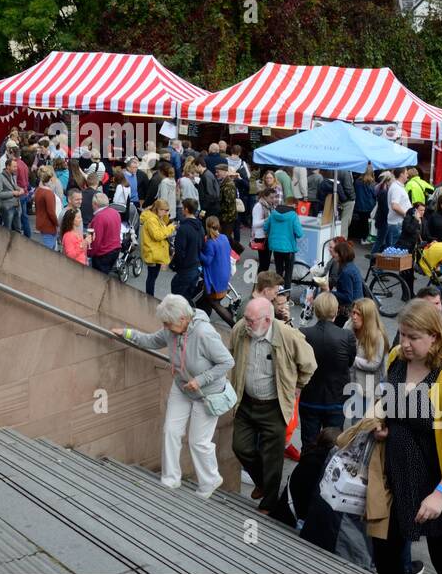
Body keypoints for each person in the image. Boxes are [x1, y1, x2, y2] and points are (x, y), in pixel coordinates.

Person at [370, 300, 442, 574]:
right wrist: (384, 425)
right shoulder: (396, 358)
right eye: (402, 334)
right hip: (394, 481)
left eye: (413, 337)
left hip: (436, 487)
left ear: (435, 336)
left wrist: (440, 494)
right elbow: (388, 403)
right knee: (386, 558)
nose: (405, 343)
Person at [113, 295, 235, 497]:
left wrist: (201, 379)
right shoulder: (171, 330)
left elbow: (227, 362)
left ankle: (210, 480)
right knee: (170, 430)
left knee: (198, 441)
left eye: (167, 323)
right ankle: (170, 479)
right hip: (182, 386)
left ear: (182, 319)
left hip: (207, 393)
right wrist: (127, 333)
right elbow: (151, 340)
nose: (165, 327)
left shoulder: (205, 333)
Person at [229, 297, 316, 514]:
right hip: (246, 402)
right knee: (240, 447)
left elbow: (309, 364)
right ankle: (261, 482)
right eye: (245, 319)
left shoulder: (287, 336)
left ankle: (269, 504)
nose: (245, 323)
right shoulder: (240, 330)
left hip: (274, 407)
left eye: (251, 320)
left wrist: (299, 385)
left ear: (267, 320)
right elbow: (232, 354)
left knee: (273, 456)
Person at [299, 292, 356, 445]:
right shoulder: (347, 336)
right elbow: (349, 362)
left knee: (309, 445)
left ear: (316, 310)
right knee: (333, 445)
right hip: (336, 399)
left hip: (310, 398)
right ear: (336, 311)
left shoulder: (303, 334)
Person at [345, 297, 388, 420]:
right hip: (350, 381)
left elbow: (373, 363)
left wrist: (350, 358)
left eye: (358, 314)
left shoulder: (377, 336)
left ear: (367, 317)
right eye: (353, 312)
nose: (354, 316)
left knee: (359, 422)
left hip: (366, 387)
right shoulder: (349, 326)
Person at [197, 216, 235, 325]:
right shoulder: (223, 238)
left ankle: (234, 325)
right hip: (224, 274)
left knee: (215, 303)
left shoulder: (210, 243)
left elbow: (207, 261)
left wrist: (198, 252)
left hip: (215, 278)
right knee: (208, 299)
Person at [264, 195, 304, 287]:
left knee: (279, 272)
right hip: (288, 248)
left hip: (275, 247)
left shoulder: (274, 213)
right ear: (294, 205)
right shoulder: (293, 215)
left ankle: (277, 292)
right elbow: (299, 234)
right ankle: (285, 296)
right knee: (288, 274)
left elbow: (265, 227)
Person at [170, 199, 205, 301]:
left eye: (183, 207)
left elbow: (180, 250)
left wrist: (176, 265)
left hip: (186, 268)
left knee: (178, 296)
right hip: (196, 266)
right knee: (188, 296)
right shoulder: (200, 227)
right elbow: (202, 245)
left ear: (186, 209)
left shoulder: (183, 228)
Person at [140, 199, 176, 297]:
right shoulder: (152, 220)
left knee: (153, 276)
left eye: (167, 210)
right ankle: (149, 297)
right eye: (165, 210)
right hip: (153, 253)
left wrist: (165, 217)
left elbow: (162, 227)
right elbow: (158, 235)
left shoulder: (156, 218)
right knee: (152, 277)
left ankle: (149, 296)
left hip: (156, 252)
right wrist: (171, 228)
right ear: (158, 209)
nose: (166, 212)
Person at [327, 237, 363, 320]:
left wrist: (330, 293)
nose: (333, 254)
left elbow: (348, 297)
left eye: (336, 252)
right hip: (357, 305)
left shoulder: (346, 272)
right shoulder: (351, 266)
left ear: (341, 255)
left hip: (349, 310)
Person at [88, 192, 122, 276]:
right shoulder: (115, 212)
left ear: (95, 204)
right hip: (115, 250)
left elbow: (96, 240)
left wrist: (89, 253)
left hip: (103, 254)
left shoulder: (99, 217)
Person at [251, 171, 279, 269]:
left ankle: (261, 283)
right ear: (265, 197)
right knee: (263, 264)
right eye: (272, 197)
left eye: (275, 197)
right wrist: (268, 219)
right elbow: (255, 224)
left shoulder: (270, 206)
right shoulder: (259, 206)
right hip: (261, 237)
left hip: (267, 236)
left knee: (265, 264)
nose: (274, 199)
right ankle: (259, 283)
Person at [32, 167, 60, 250]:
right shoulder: (48, 193)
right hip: (49, 226)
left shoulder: (38, 190)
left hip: (41, 223)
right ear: (50, 179)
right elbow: (51, 212)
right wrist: (57, 224)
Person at [0, 154, 23, 228]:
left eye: (16, 166)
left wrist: (20, 189)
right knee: (7, 229)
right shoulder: (0, 178)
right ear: (8, 167)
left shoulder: (13, 175)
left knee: (18, 229)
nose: (16, 168)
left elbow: (14, 186)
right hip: (7, 208)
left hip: (17, 206)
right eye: (14, 167)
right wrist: (12, 193)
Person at [352, 169, 377, 245]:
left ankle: (362, 238)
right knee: (369, 223)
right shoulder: (373, 183)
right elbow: (375, 194)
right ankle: (367, 238)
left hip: (359, 205)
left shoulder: (357, 182)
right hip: (370, 205)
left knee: (362, 222)